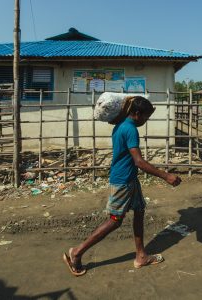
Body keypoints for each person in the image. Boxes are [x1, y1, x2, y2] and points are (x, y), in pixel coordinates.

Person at [63, 96, 181, 276]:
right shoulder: (130, 129)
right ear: (136, 114)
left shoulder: (121, 125)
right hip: (123, 181)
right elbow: (139, 161)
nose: (145, 121)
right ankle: (77, 252)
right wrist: (166, 176)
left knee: (139, 210)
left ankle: (141, 256)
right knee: (114, 221)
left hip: (130, 179)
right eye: (145, 117)